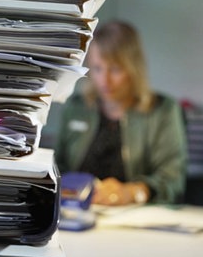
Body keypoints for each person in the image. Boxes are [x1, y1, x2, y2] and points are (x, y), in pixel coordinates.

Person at [55, 20, 187, 206]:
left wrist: (132, 192)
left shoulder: (162, 110)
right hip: (76, 212)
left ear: (133, 68)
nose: (105, 80)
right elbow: (56, 167)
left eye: (115, 69)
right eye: (98, 68)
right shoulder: (76, 108)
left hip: (136, 218)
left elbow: (172, 181)